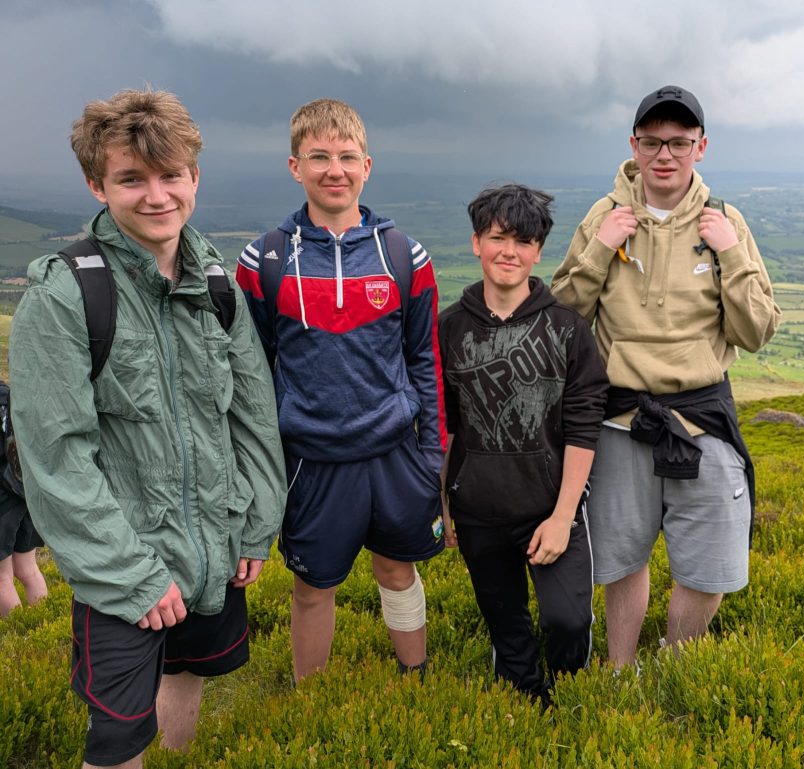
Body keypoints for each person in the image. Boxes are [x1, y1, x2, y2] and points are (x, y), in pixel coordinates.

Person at [9, 89, 287, 768]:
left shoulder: (215, 282)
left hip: (217, 545)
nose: (157, 196)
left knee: (189, 670)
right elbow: (55, 457)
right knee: (117, 739)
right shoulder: (66, 293)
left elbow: (252, 414)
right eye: (132, 179)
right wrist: (130, 574)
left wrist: (254, 524)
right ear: (97, 184)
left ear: (195, 176)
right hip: (124, 563)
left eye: (171, 175)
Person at [551, 86, 781, 669]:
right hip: (619, 418)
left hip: (702, 418)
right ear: (634, 145)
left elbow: (756, 331)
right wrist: (600, 251)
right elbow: (563, 321)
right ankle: (620, 671)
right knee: (620, 561)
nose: (665, 155)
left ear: (700, 147)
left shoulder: (725, 222)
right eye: (653, 142)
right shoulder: (603, 217)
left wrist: (731, 255)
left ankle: (674, 667)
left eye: (679, 143)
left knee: (710, 569)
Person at [235, 98, 446, 682]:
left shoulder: (405, 255)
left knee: (398, 571)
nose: (335, 170)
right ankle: (312, 699)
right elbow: (252, 373)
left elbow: (425, 360)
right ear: (295, 166)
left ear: (367, 166)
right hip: (312, 459)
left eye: (348, 157)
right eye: (319, 157)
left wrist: (433, 456)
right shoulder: (263, 259)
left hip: (394, 453)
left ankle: (415, 678)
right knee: (312, 588)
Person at [438, 184, 608, 701]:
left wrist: (562, 516)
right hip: (478, 511)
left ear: (538, 252)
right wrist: (443, 503)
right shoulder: (448, 329)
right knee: (507, 630)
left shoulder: (569, 329)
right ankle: (527, 712)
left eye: (523, 241)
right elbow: (444, 426)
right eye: (498, 238)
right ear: (476, 243)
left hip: (551, 508)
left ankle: (569, 698)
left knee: (568, 622)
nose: (509, 251)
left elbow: (583, 426)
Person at [0, 387, 47, 616]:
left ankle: (23, 632)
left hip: (3, 498)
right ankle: (42, 623)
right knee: (27, 569)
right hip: (25, 489)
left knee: (2, 578)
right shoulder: (9, 393)